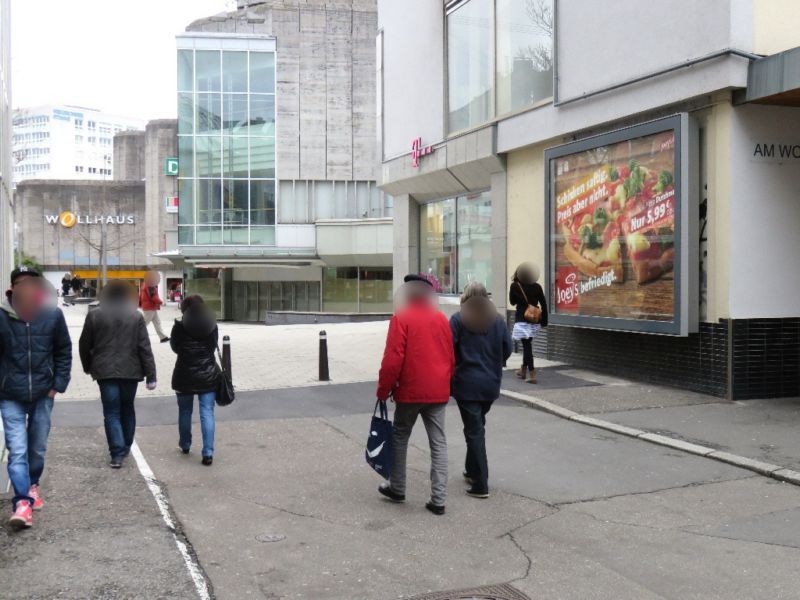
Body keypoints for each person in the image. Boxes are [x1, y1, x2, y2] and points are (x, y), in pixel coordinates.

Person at [375, 274, 454, 516]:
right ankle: (438, 499)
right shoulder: (441, 319)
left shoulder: (401, 318)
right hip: (438, 391)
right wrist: (446, 382)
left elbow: (392, 360)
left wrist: (384, 390)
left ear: (408, 295)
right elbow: (450, 356)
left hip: (410, 391)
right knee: (438, 442)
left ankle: (397, 488)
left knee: (400, 437)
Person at [0, 266, 72, 529]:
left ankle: (32, 485)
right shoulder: (2, 316)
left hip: (43, 393)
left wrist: (57, 385)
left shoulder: (52, 315)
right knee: (17, 451)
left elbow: (63, 351)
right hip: (10, 395)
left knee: (37, 448)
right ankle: (22, 503)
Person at [79, 281, 157, 468]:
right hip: (131, 370)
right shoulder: (135, 316)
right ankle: (126, 445)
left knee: (111, 412)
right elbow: (144, 347)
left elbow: (84, 344)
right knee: (127, 408)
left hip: (104, 371)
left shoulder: (94, 315)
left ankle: (116, 454)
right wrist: (151, 375)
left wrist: (88, 366)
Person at [450, 282, 512, 499]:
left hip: (466, 384)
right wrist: (495, 363)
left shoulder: (458, 320)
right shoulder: (498, 321)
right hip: (491, 384)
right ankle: (471, 470)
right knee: (476, 426)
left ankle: (481, 483)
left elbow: (449, 349)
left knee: (474, 430)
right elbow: (508, 349)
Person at [170, 295, 220, 466]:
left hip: (184, 374)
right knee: (207, 412)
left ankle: (185, 444)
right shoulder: (211, 324)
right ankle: (208, 452)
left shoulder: (179, 326)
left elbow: (175, 347)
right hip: (207, 375)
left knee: (185, 412)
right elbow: (213, 346)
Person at [509, 263, 548, 383]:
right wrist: (544, 321)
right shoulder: (537, 286)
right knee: (527, 345)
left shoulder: (515, 286)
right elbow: (544, 304)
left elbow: (512, 302)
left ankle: (532, 374)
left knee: (526, 346)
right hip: (535, 320)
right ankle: (523, 370)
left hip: (522, 319)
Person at [139, 270, 169, 343]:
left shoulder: (145, 284)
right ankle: (134, 336)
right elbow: (153, 296)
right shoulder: (150, 285)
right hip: (150, 307)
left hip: (149, 307)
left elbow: (141, 296)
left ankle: (163, 337)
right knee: (144, 323)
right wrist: (160, 302)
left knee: (157, 322)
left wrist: (140, 303)